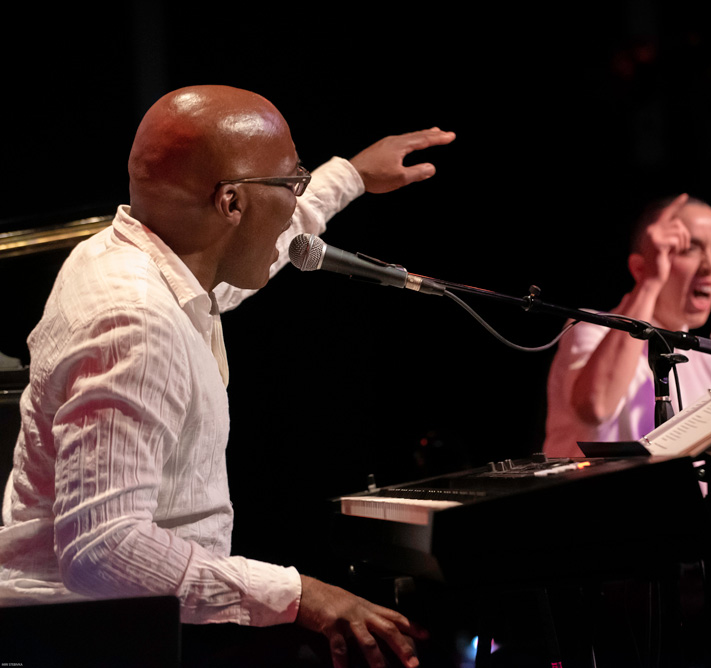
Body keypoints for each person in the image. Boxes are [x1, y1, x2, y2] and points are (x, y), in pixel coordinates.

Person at [0, 84, 455, 668]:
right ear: (231, 204)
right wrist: (300, 594)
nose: (298, 201)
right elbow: (104, 548)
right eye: (293, 182)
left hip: (114, 628)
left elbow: (247, 255)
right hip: (86, 643)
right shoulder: (135, 323)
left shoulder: (135, 254)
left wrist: (354, 175)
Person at [543, 193, 711, 513]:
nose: (709, 266)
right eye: (690, 248)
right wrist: (651, 283)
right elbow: (596, 405)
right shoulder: (590, 330)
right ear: (639, 267)